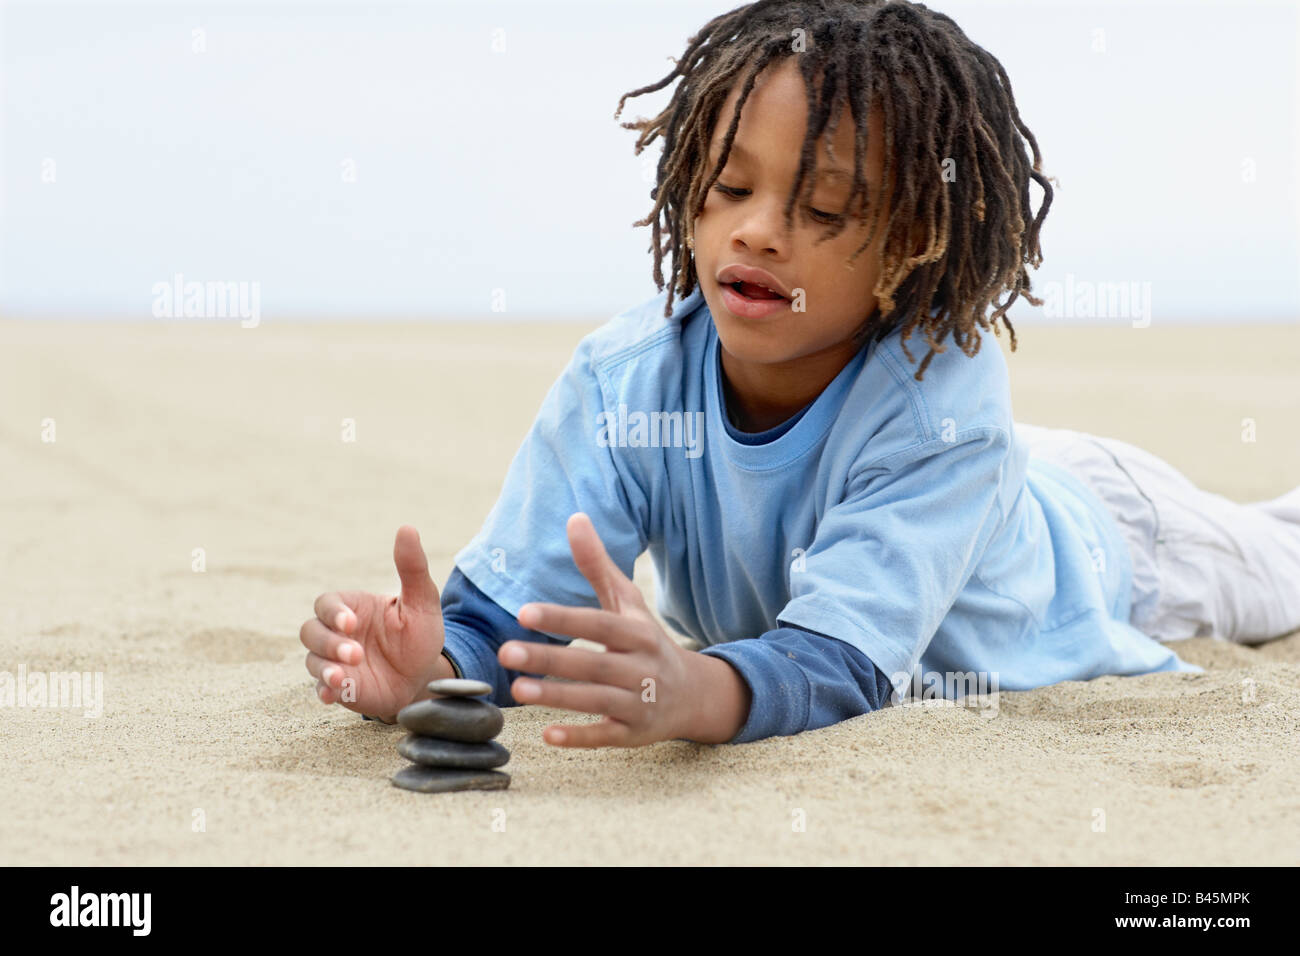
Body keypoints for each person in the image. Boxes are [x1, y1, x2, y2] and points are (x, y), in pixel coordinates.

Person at [299, 0, 1300, 747]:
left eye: (823, 208)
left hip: (1113, 540)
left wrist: (692, 693)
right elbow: (501, 620)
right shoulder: (625, 381)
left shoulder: (944, 401)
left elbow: (837, 663)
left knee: (1281, 563)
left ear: (913, 243)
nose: (758, 229)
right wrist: (428, 666)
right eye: (730, 184)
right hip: (977, 479)